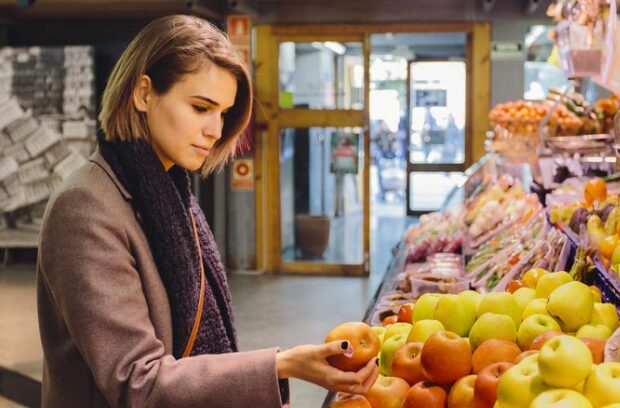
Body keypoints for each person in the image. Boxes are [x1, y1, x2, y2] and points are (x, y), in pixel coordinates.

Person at [36, 15, 377, 408]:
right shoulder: (86, 209)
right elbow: (136, 383)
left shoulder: (171, 194)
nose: (216, 130)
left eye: (224, 113)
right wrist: (282, 365)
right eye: (201, 108)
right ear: (143, 94)